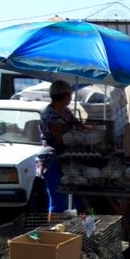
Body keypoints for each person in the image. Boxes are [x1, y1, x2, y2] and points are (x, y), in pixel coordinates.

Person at [38, 80, 80, 215]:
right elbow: (62, 138)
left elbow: (80, 127)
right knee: (58, 200)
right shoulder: (49, 115)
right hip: (52, 160)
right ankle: (54, 233)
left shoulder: (66, 112)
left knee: (80, 199)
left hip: (67, 159)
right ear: (66, 96)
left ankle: (81, 228)